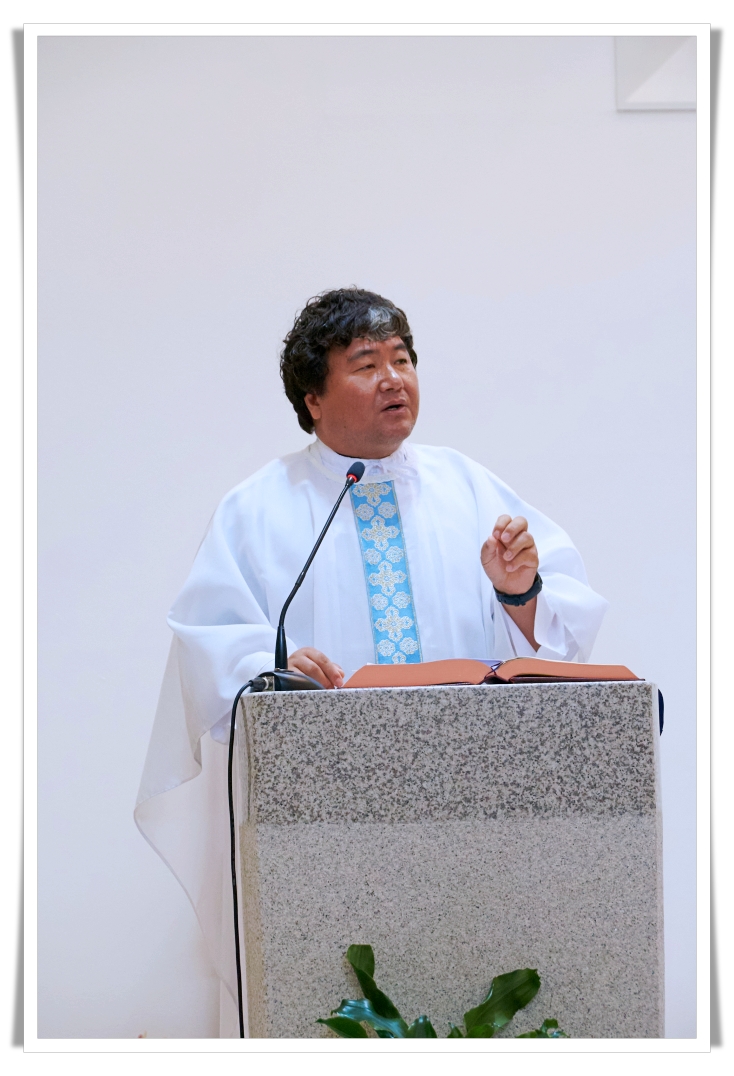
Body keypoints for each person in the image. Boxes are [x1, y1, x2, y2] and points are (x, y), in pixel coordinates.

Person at [135, 288, 608, 1036]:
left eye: (403, 359)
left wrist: (520, 590)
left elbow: (556, 640)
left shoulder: (468, 488)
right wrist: (275, 666)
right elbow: (210, 643)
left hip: (468, 809)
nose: (395, 379)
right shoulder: (257, 508)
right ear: (313, 399)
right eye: (366, 364)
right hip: (317, 824)